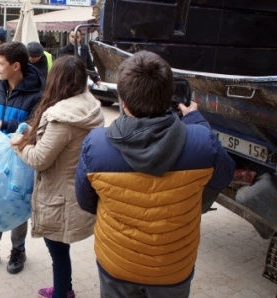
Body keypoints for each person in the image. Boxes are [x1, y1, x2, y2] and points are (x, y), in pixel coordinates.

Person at [75, 51, 235, 298]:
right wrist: (196, 120)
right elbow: (224, 177)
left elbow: (86, 202)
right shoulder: (203, 142)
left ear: (123, 102)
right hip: (172, 267)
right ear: (169, 96)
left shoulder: (95, 145)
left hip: (117, 262)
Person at [11, 55, 104, 298]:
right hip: (76, 188)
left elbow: (39, 159)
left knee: (57, 251)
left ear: (57, 80)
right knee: (60, 249)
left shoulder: (61, 118)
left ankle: (62, 293)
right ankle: (65, 287)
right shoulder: (89, 107)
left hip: (58, 194)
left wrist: (17, 144)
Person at [0, 41, 45, 275]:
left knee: (15, 204)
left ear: (16, 66)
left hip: (19, 159)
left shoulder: (37, 94)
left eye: (0, 64)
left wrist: (4, 125)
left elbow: (33, 127)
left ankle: (18, 250)